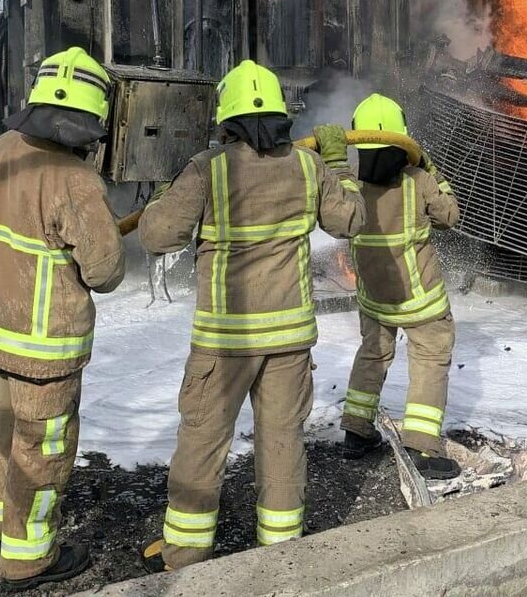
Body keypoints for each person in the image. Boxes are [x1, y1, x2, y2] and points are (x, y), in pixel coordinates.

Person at [138, 60, 365, 571]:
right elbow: (350, 219)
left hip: (225, 341)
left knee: (202, 440)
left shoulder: (208, 170)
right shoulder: (309, 167)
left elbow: (157, 236)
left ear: (228, 120)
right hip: (288, 340)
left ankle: (185, 554)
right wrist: (338, 164)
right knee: (282, 440)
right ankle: (281, 552)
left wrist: (164, 197)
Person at [0, 47, 126, 591]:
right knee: (41, 450)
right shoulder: (75, 180)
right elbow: (105, 272)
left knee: (4, 434)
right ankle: (28, 558)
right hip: (45, 352)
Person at [339, 93, 462, 480]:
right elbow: (450, 216)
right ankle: (421, 447)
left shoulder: (351, 185)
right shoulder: (418, 180)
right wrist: (433, 170)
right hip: (420, 300)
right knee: (430, 358)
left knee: (372, 355)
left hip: (374, 298)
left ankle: (356, 432)